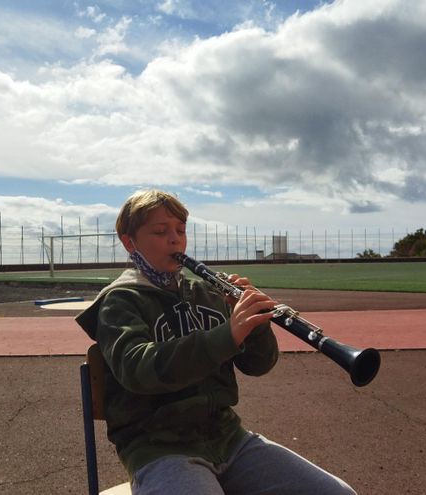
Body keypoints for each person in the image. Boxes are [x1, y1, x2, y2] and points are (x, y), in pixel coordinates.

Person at [76, 190, 355, 495]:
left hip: (229, 439)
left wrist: (254, 324)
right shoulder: (119, 302)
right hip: (159, 449)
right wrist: (227, 335)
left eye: (181, 231)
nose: (175, 240)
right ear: (130, 242)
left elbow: (258, 365)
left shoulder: (206, 293)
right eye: (160, 231)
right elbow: (137, 369)